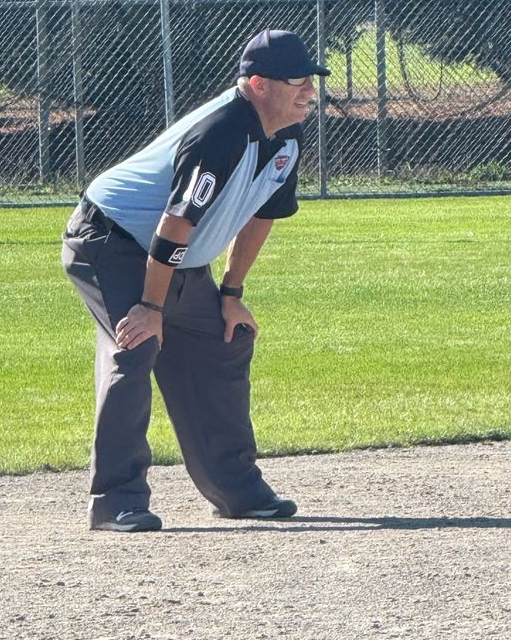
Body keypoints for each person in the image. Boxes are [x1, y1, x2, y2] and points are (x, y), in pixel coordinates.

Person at [61, 29, 330, 532]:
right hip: (108, 240)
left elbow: (262, 213)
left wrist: (231, 293)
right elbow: (176, 224)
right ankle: (116, 500)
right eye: (297, 81)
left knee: (224, 341)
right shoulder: (222, 131)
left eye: (310, 81)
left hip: (173, 257)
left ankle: (237, 491)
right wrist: (150, 307)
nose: (308, 92)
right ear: (257, 84)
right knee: (136, 346)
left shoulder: (287, 135)